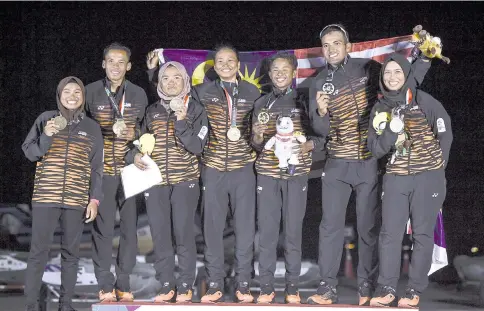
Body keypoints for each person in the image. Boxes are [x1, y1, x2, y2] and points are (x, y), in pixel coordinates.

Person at [307, 24, 432, 305]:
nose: (331, 49)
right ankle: (326, 287)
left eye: (336, 43)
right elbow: (320, 130)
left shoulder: (369, 69)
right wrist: (321, 111)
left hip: (367, 161)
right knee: (329, 227)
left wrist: (423, 57)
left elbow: (403, 83)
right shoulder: (317, 82)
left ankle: (367, 286)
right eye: (326, 46)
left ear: (348, 45)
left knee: (368, 228)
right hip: (337, 164)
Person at [367, 53, 452, 308]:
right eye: (387, 73)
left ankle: (414, 290)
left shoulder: (424, 100)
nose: (392, 77)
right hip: (396, 178)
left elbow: (445, 133)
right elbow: (375, 150)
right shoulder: (380, 108)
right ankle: (387, 288)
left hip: (428, 178)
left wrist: (439, 167)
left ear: (406, 75)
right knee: (389, 235)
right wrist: (392, 131)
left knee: (423, 235)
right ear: (382, 78)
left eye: (397, 72)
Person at [126, 61, 208, 303]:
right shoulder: (151, 112)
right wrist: (135, 155)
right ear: (159, 83)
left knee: (183, 234)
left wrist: (182, 122)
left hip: (186, 182)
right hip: (155, 183)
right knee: (160, 236)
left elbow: (198, 146)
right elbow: (136, 144)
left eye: (177, 78)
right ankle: (165, 285)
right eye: (165, 79)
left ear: (185, 81)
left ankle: (184, 286)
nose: (171, 83)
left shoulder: (196, 110)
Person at [22, 76, 103, 311]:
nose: (72, 96)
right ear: (59, 95)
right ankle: (31, 306)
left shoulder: (92, 127)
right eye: (67, 92)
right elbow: (31, 153)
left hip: (76, 200)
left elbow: (97, 167)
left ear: (83, 97)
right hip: (46, 197)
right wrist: (46, 134)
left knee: (71, 253)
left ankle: (65, 305)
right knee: (38, 252)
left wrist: (94, 199)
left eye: (77, 92)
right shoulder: (45, 119)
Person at [251, 52, 324, 304]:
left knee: (293, 232)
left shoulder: (304, 100)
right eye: (275, 70)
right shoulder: (261, 104)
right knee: (267, 234)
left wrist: (308, 147)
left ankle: (292, 288)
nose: (280, 73)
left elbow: (323, 136)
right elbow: (257, 145)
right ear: (269, 75)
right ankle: (266, 287)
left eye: (285, 69)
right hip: (268, 175)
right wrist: (258, 137)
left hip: (296, 175)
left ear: (294, 73)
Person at [190, 44, 260, 303]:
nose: (226, 64)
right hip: (213, 168)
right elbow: (172, 94)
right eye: (221, 61)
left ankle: (243, 283)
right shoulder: (202, 92)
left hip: (244, 168)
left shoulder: (252, 92)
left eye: (231, 60)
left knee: (244, 230)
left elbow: (260, 127)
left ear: (238, 64)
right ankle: (215, 284)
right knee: (212, 229)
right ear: (214, 66)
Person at [85, 42, 149, 302]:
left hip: (131, 169)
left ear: (129, 66)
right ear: (103, 64)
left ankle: (123, 281)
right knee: (103, 228)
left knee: (130, 228)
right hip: (103, 172)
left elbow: (147, 131)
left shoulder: (138, 94)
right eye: (110, 61)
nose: (115, 66)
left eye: (121, 62)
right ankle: (104, 283)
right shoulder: (89, 92)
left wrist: (138, 135)